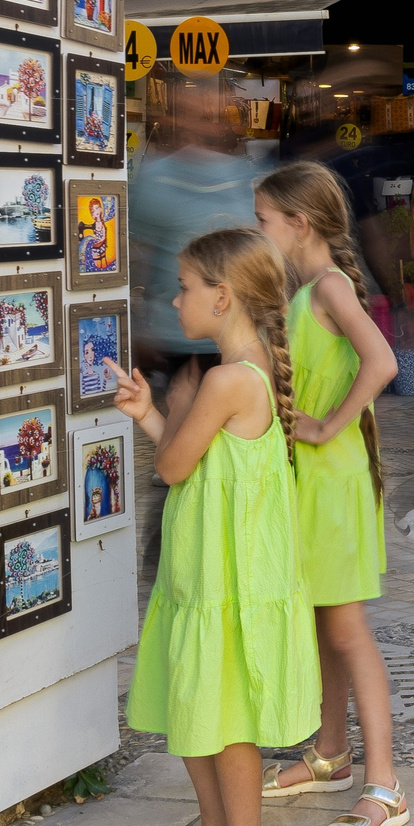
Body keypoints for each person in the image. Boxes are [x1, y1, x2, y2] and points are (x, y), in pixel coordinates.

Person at [116, 228, 318, 826]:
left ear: (223, 297)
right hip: (209, 573)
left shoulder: (227, 380)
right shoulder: (239, 372)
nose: (174, 301)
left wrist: (171, 408)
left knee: (224, 711)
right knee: (198, 698)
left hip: (226, 580)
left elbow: (173, 465)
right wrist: (152, 411)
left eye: (185, 288)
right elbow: (190, 462)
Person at [252, 161, 411, 826]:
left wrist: (327, 423)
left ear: (300, 223)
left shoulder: (331, 286)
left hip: (334, 481)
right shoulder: (308, 287)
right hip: (318, 483)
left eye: (264, 220)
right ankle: (331, 751)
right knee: (325, 623)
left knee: (346, 630)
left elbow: (383, 362)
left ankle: (385, 785)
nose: (258, 232)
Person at [131, 81, 263, 571]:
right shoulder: (156, 179)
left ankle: (211, 541)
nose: (198, 121)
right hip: (179, 335)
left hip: (232, 336)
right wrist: (143, 319)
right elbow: (139, 251)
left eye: (207, 112)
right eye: (189, 112)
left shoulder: (242, 175)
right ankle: (170, 543)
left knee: (216, 441)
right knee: (185, 437)